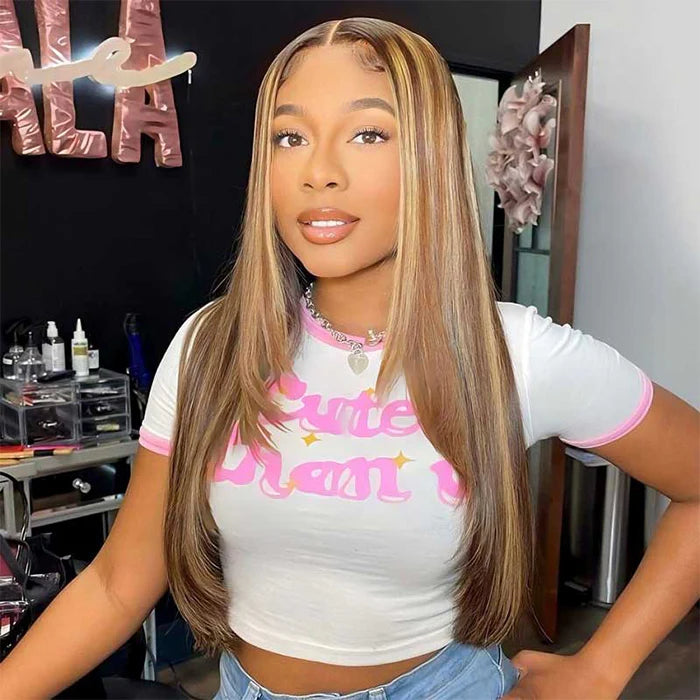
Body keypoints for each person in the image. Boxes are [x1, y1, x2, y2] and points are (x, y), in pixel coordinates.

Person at [1, 16, 698, 700]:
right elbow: (116, 585)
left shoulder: (514, 352)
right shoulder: (213, 346)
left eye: (368, 134)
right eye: (291, 137)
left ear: (429, 156)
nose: (319, 173)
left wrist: (601, 668)